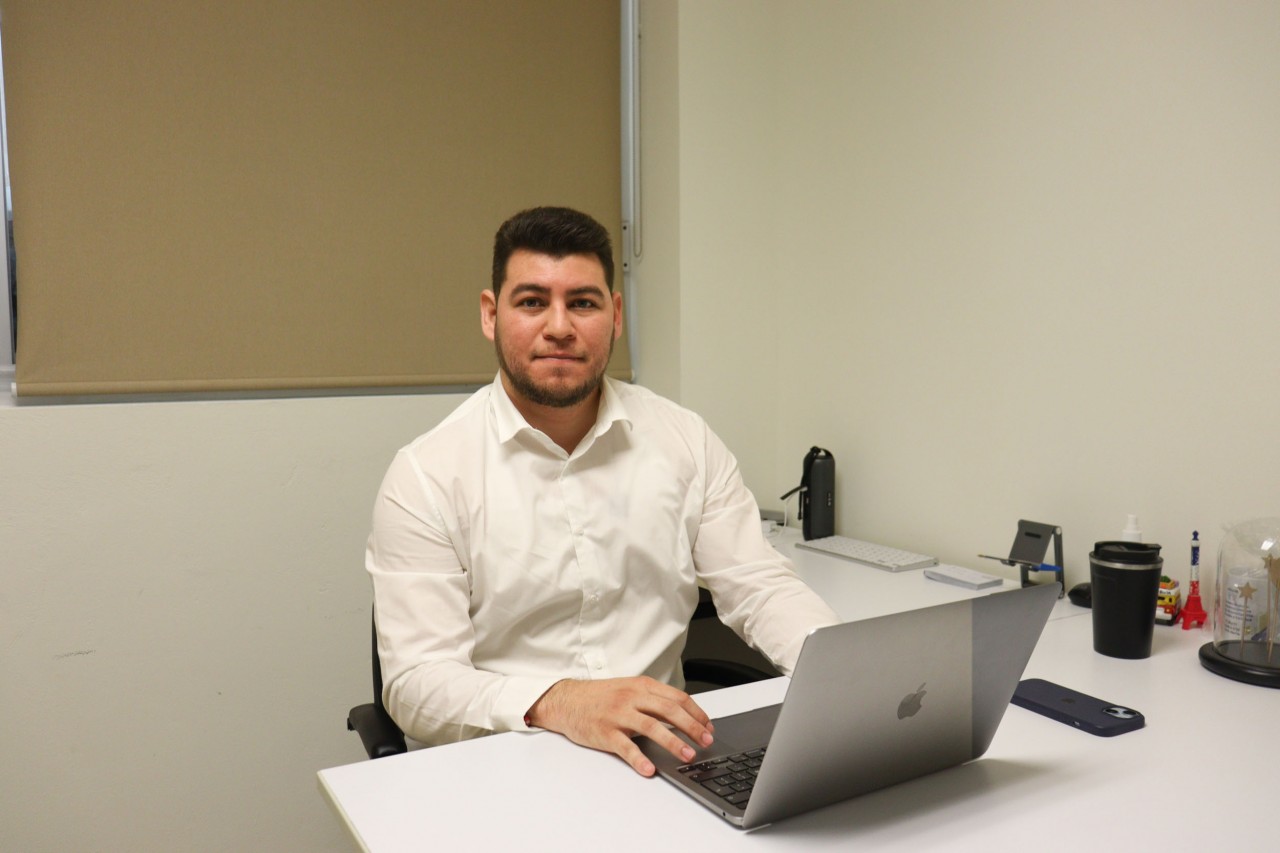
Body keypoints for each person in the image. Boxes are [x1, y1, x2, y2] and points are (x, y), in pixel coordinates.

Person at [366, 206, 838, 776]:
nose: (559, 327)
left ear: (615, 315)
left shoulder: (683, 440)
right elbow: (417, 684)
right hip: (502, 767)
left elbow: (759, 586)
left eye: (583, 303)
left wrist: (847, 673)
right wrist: (559, 701)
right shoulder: (427, 475)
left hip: (662, 762)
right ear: (491, 315)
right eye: (532, 302)